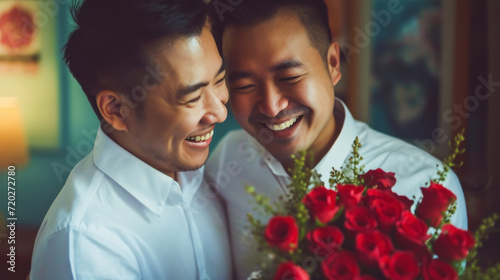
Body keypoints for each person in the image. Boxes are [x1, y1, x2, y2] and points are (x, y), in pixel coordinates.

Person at [205, 0, 468, 279]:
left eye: (290, 77)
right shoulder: (229, 160)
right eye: (245, 86)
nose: (271, 106)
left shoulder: (426, 185)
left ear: (332, 64)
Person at [30, 0, 232, 279]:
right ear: (116, 110)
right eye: (192, 97)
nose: (220, 112)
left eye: (219, 80)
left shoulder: (213, 172)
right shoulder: (86, 242)